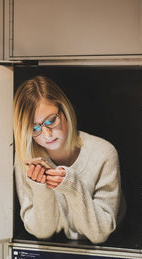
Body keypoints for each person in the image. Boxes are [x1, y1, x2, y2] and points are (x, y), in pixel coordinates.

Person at [13, 75, 125, 244]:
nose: (47, 134)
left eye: (51, 120)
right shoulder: (27, 157)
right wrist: (41, 188)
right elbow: (42, 232)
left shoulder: (103, 153)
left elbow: (100, 234)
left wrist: (72, 187)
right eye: (34, 128)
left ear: (65, 110)